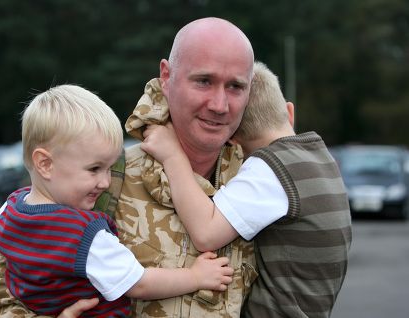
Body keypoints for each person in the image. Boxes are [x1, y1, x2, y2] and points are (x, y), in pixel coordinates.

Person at [0, 17, 257, 318]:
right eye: (204, 81)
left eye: (235, 86)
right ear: (166, 77)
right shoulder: (102, 178)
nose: (220, 105)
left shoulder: (262, 191)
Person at [141, 61, 353, 317]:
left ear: (232, 140)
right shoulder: (318, 156)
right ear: (289, 112)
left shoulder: (271, 170)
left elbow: (206, 233)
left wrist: (173, 156)